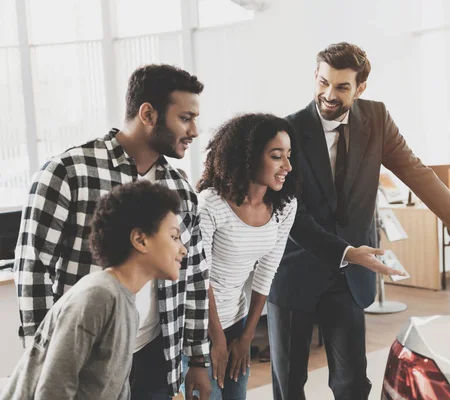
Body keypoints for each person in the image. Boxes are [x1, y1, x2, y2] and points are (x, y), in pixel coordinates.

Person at [267, 42, 450, 400]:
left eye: (341, 87)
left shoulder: (376, 119)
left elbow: (417, 173)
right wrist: (347, 251)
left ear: (360, 88)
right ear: (315, 76)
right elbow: (290, 213)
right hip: (295, 272)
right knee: (289, 384)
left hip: (349, 278)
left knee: (352, 383)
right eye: (323, 82)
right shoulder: (285, 130)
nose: (328, 94)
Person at [13, 64, 212, 399]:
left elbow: (193, 275)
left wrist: (196, 357)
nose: (195, 130)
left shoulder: (181, 189)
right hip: (85, 358)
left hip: (156, 354)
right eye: (185, 118)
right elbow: (32, 269)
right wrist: (44, 358)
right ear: (148, 113)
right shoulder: (68, 173)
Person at [1, 180, 186, 399]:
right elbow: (53, 391)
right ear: (140, 240)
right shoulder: (98, 295)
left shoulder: (128, 307)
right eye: (174, 237)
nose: (182, 249)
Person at [182, 113, 299, 400]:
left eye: (288, 155)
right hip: (198, 324)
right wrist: (216, 337)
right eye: (276, 156)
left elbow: (267, 271)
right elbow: (199, 274)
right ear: (248, 156)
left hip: (237, 319)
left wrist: (246, 336)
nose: (287, 166)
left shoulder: (285, 206)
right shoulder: (210, 203)